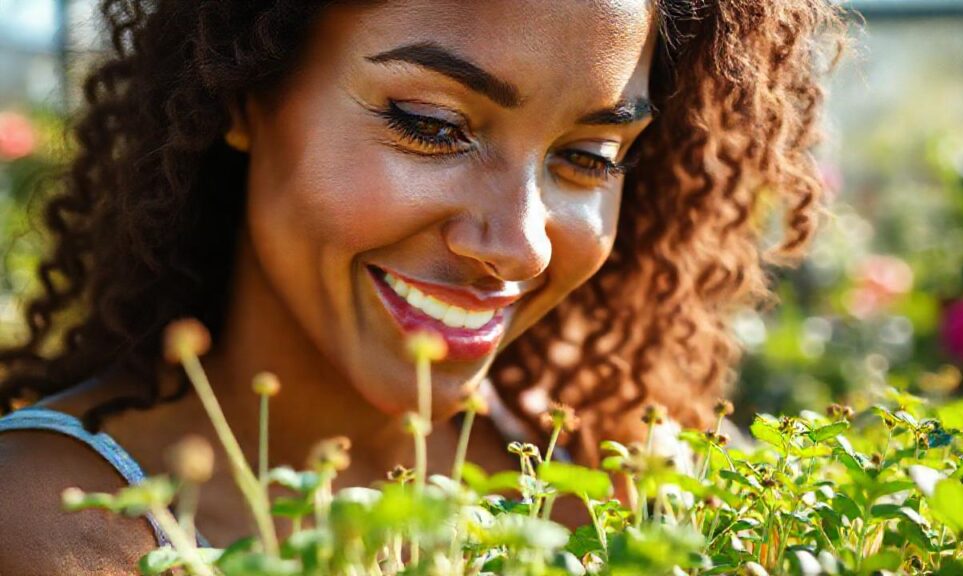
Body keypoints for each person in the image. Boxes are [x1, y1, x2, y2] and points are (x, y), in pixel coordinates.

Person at [0, 0, 842, 572]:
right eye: (432, 127)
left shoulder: (617, 459)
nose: (520, 246)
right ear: (244, 91)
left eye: (588, 157)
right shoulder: (54, 524)